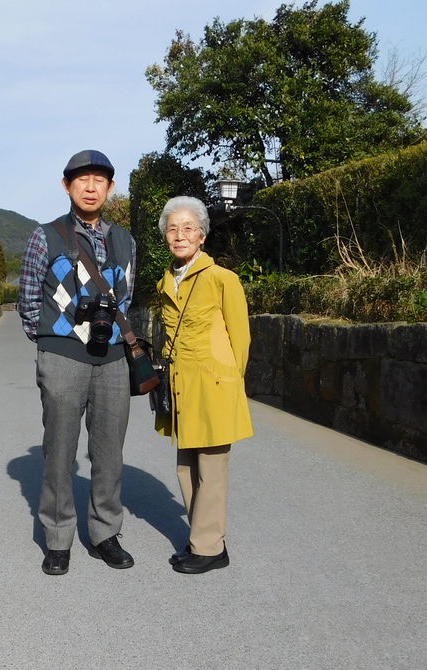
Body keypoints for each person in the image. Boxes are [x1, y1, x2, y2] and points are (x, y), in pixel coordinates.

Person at [18, 150, 138, 575]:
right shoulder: (46, 236)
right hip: (62, 358)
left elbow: (126, 296)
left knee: (109, 451)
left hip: (113, 360)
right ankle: (58, 538)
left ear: (110, 187)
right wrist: (53, 341)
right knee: (59, 450)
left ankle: (105, 533)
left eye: (99, 180)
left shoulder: (125, 240)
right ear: (67, 186)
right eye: (82, 179)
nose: (91, 187)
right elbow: (29, 299)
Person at [153, 196, 253, 574]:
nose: (180, 235)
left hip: (213, 386)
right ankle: (201, 538)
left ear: (202, 236)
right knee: (186, 468)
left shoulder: (223, 279)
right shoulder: (167, 281)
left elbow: (240, 339)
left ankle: (210, 548)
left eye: (188, 228)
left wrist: (228, 382)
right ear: (166, 236)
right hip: (181, 387)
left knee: (211, 470)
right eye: (173, 229)